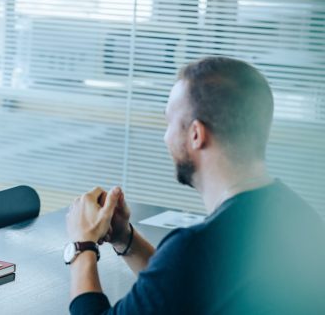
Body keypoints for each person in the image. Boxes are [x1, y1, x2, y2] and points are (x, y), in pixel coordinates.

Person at [64, 56, 325, 314]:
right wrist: (124, 238)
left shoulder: (198, 248)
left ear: (196, 135)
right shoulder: (300, 217)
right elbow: (187, 286)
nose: (165, 137)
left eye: (169, 123)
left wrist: (82, 245)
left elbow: (190, 268)